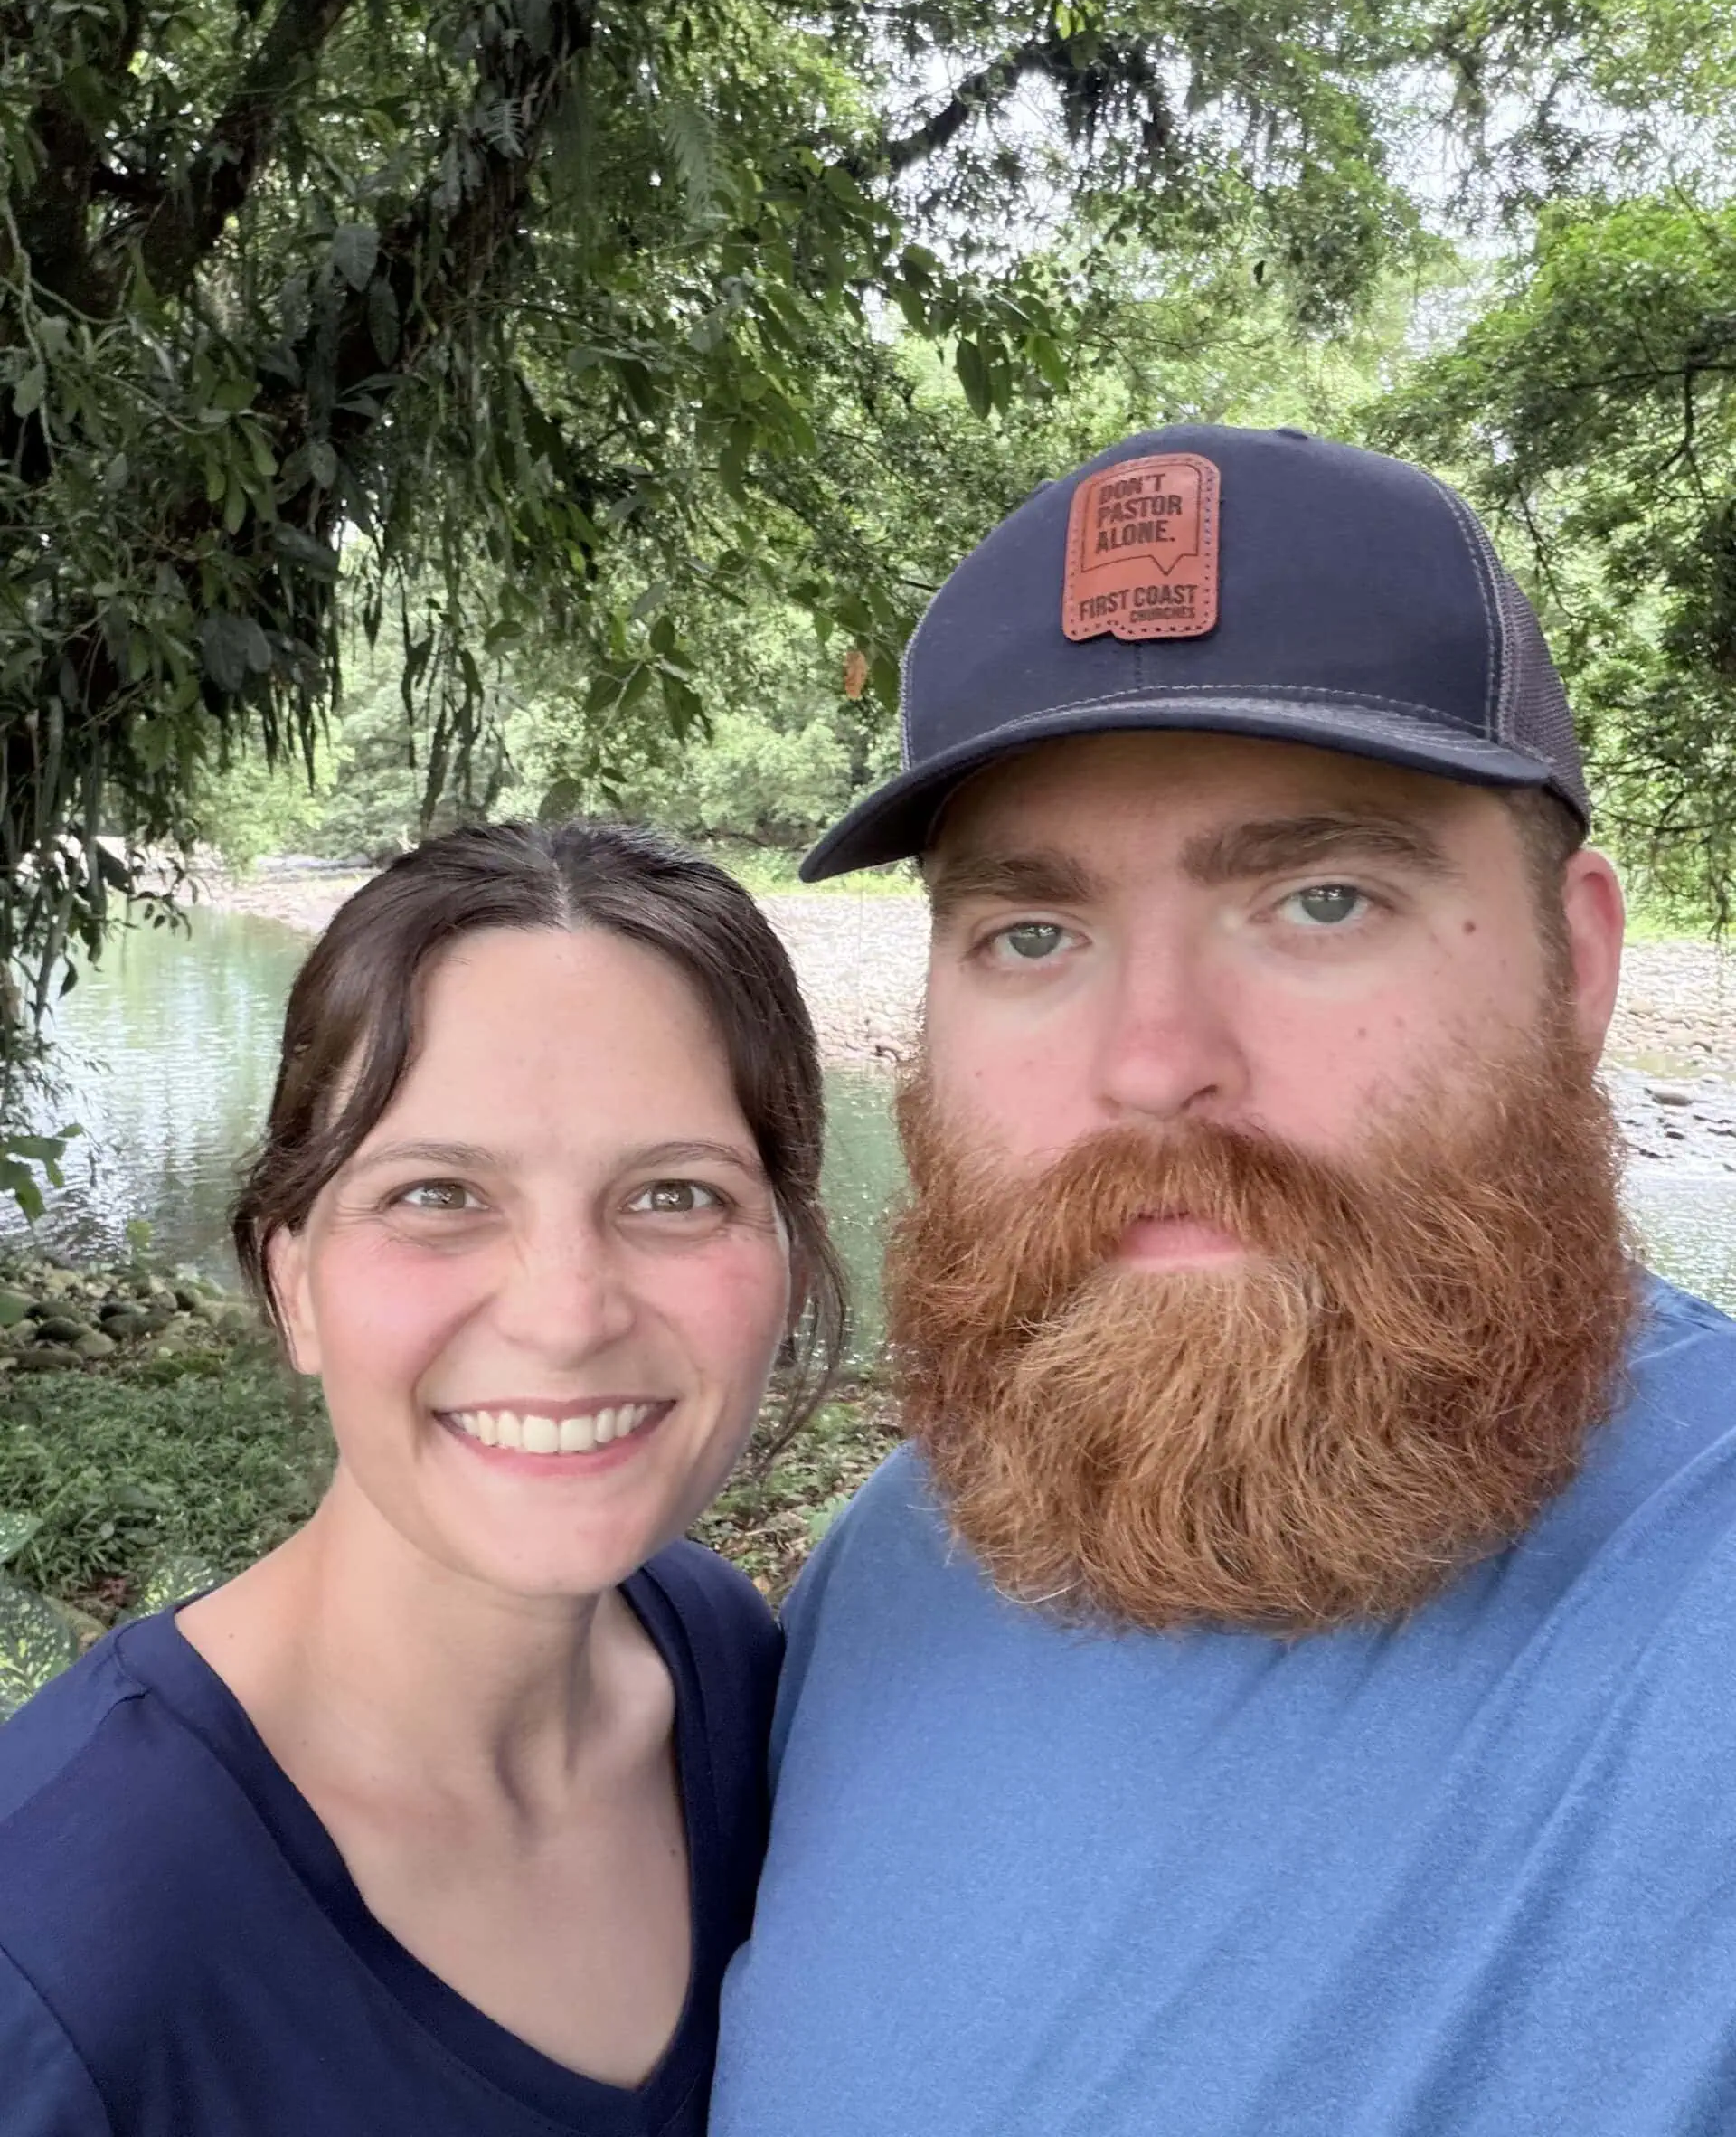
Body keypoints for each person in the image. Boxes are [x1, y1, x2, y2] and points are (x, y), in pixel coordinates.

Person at [712, 425, 1736, 2135]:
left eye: (1321, 900)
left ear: (1576, 970)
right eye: (1034, 934)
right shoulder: (897, 1558)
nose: (1154, 1062)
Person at [0, 819, 844, 2137]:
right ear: (293, 1284)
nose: (566, 1316)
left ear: (786, 1258)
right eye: (439, 1195)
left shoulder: (724, 1659)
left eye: (676, 1195)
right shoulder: (59, 1941)